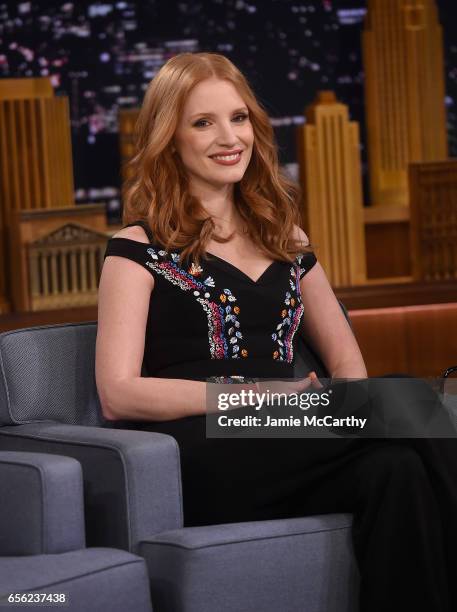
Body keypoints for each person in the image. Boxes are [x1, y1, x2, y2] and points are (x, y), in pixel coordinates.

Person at [95, 52, 457, 612]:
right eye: (202, 122)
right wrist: (258, 397)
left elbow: (349, 368)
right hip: (206, 443)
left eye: (238, 118)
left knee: (397, 469)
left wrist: (334, 410)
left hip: (291, 430)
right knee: (410, 397)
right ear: (170, 139)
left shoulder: (288, 239)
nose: (228, 136)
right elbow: (119, 394)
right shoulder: (136, 248)